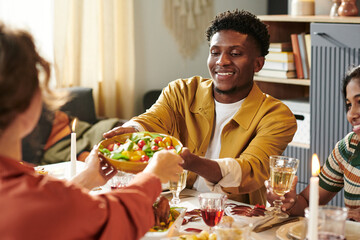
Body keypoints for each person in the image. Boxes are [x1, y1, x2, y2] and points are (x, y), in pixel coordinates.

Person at [0, 23, 184, 239]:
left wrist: (85, 180)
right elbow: (111, 219)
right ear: (28, 104)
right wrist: (153, 176)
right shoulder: (33, 196)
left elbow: (57, 211)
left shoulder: (33, 196)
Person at [104, 9, 297, 205]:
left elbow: (250, 169)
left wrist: (193, 162)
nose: (222, 61)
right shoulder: (181, 91)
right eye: (215, 52)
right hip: (180, 204)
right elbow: (154, 119)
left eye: (235, 53)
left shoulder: (276, 116)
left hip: (236, 214)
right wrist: (132, 130)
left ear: (258, 64)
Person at [266, 65, 360, 222]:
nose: (351, 114)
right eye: (349, 105)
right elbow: (309, 203)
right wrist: (290, 202)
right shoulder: (349, 147)